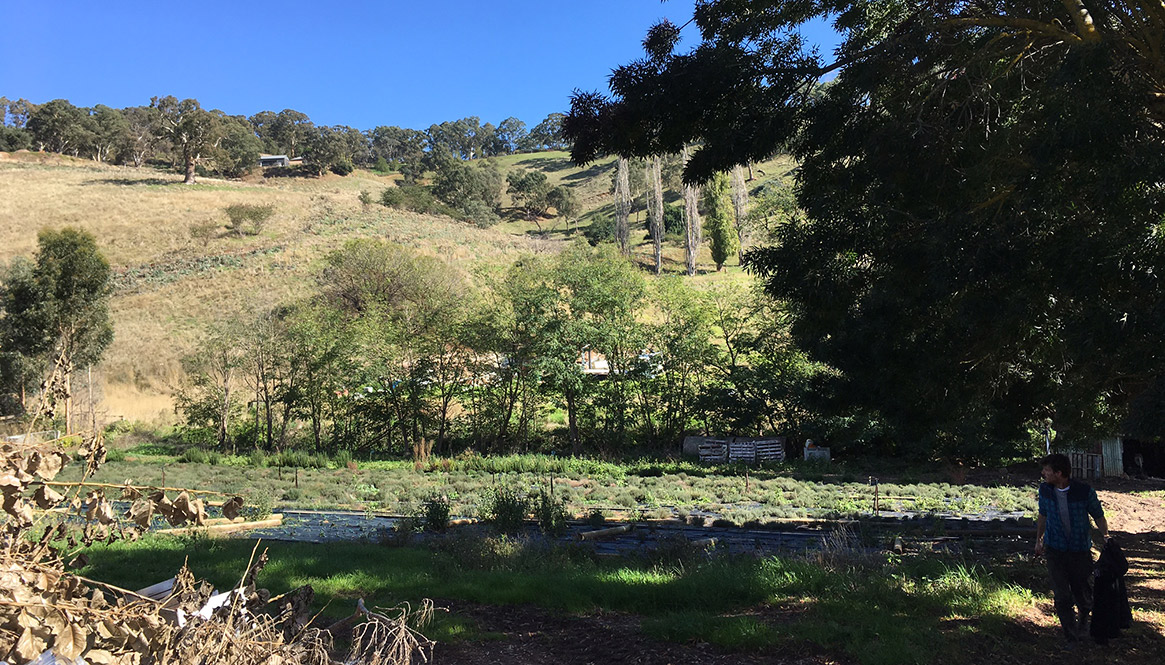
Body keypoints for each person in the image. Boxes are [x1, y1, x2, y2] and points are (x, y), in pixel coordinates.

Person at [1035, 453, 1109, 647]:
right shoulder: (1045, 490)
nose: (1043, 473)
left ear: (1059, 473)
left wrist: (1106, 536)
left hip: (1079, 550)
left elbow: (1098, 516)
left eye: (1047, 470)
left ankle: (1084, 621)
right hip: (1055, 549)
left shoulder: (1084, 492)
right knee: (1061, 594)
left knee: (1081, 590)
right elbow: (1042, 515)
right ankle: (1070, 635)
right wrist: (1038, 540)